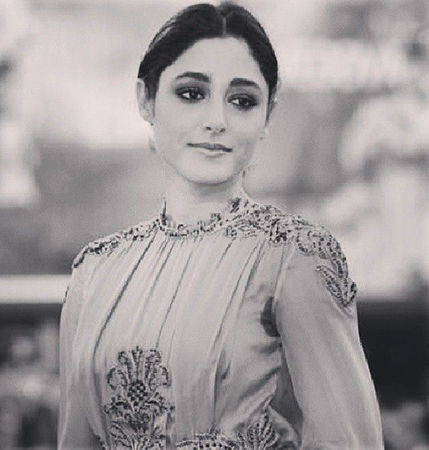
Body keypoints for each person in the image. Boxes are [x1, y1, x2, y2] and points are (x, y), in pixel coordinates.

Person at [58, 2, 383, 449]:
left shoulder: (295, 256)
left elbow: (350, 441)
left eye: (242, 101)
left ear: (268, 116)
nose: (216, 121)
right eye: (191, 93)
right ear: (145, 100)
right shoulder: (94, 272)